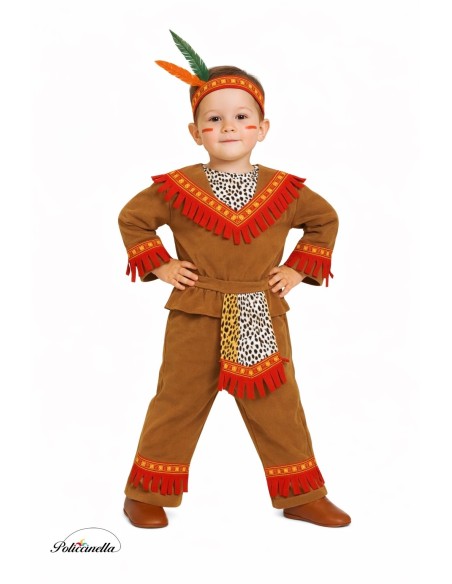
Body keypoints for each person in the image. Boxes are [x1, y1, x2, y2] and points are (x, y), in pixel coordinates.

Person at [118, 31, 351, 529]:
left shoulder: (285, 191)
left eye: (242, 117)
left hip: (260, 312)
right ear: (195, 131)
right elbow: (133, 219)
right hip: (195, 312)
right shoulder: (176, 188)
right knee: (177, 402)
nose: (228, 126)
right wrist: (161, 264)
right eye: (214, 119)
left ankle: (302, 495)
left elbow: (324, 220)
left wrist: (297, 268)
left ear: (263, 128)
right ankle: (146, 493)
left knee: (279, 406)